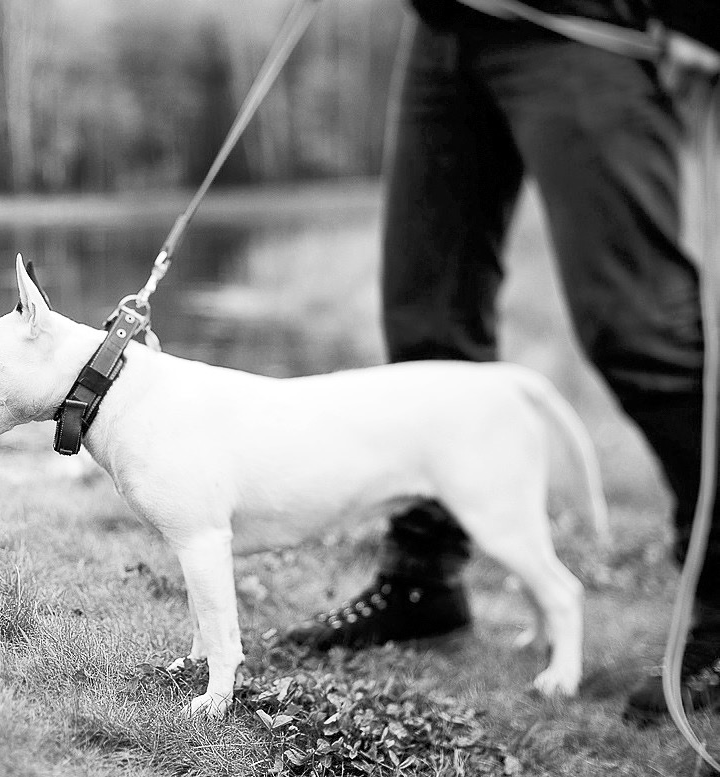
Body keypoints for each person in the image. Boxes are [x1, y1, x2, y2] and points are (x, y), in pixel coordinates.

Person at [279, 0, 720, 724]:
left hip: (581, 25)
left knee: (639, 332)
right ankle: (424, 577)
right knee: (427, 328)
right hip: (443, 25)